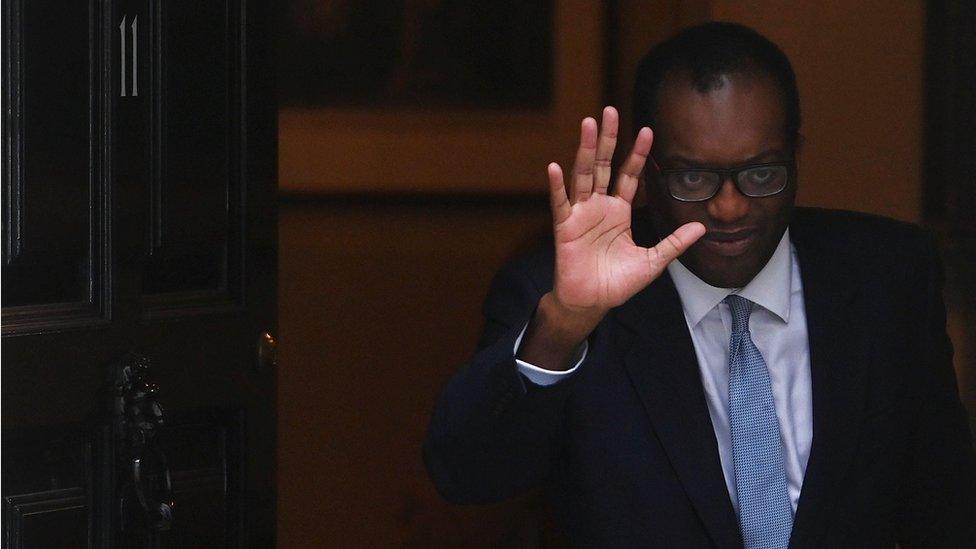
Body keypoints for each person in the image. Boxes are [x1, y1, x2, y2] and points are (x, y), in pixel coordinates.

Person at [423, 22, 976, 547]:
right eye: (694, 177)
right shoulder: (555, 294)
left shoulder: (887, 277)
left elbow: (943, 509)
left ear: (795, 158)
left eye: (761, 173)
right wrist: (563, 326)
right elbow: (467, 476)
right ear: (649, 176)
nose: (729, 206)